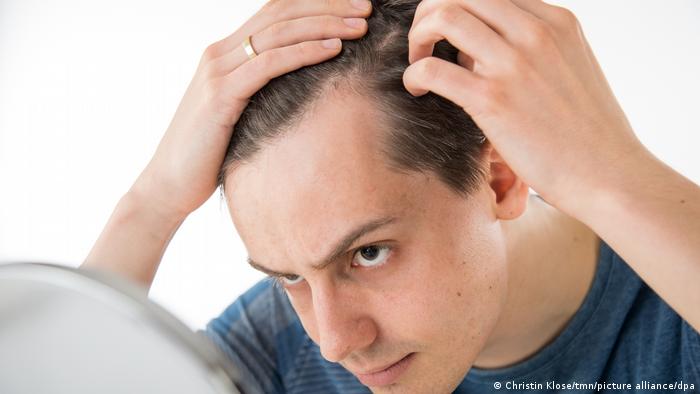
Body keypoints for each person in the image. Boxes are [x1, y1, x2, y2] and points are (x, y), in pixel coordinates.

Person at [82, 0, 700, 393]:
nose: (333, 342)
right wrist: (151, 203)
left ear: (500, 179)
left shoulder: (675, 314)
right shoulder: (275, 351)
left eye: (368, 253)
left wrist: (611, 175)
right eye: (289, 277)